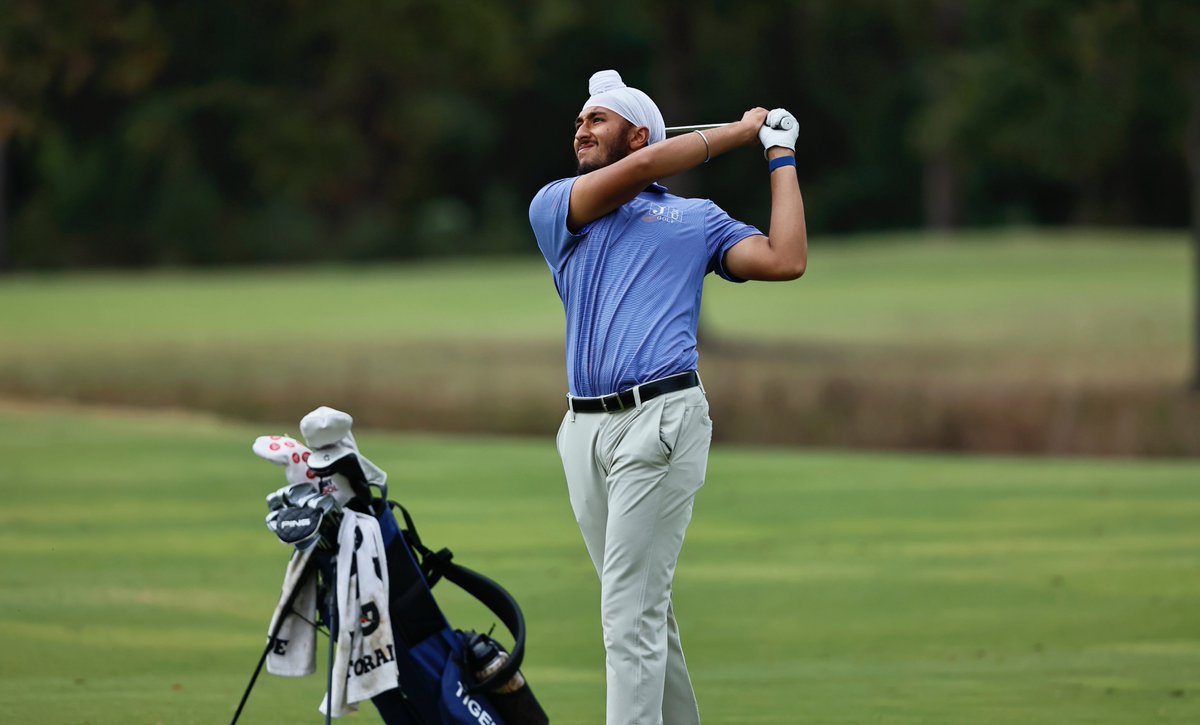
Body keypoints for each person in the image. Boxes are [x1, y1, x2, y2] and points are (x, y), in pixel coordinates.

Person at [528, 69, 807, 725]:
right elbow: (649, 165)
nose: (581, 130)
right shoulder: (559, 204)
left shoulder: (694, 218)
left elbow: (785, 258)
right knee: (640, 605)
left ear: (638, 130)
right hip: (582, 431)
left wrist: (778, 154)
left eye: (597, 119)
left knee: (628, 608)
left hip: (661, 418)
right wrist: (736, 132)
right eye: (579, 121)